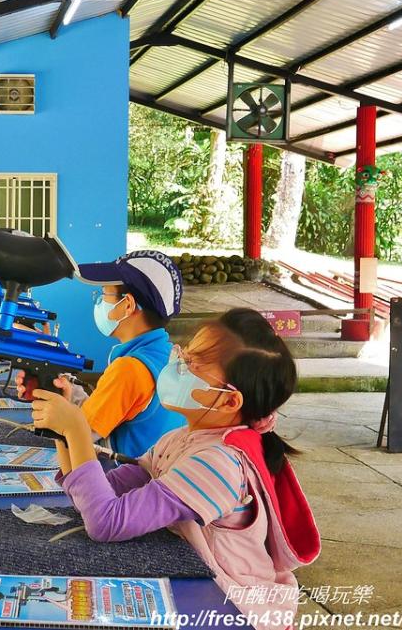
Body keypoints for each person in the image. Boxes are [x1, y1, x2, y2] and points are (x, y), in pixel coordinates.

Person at [25, 310, 320, 630]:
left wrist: (77, 429)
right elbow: (99, 494)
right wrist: (62, 431)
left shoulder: (217, 464)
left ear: (229, 402)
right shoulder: (181, 439)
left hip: (233, 610)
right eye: (186, 351)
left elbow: (105, 522)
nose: (178, 363)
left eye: (194, 364)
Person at [20, 250, 187, 458]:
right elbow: (104, 409)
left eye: (104, 295)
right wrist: (64, 386)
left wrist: (38, 356)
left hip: (125, 483)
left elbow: (79, 433)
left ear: (127, 304)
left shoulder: (130, 368)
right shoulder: (166, 355)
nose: (99, 302)